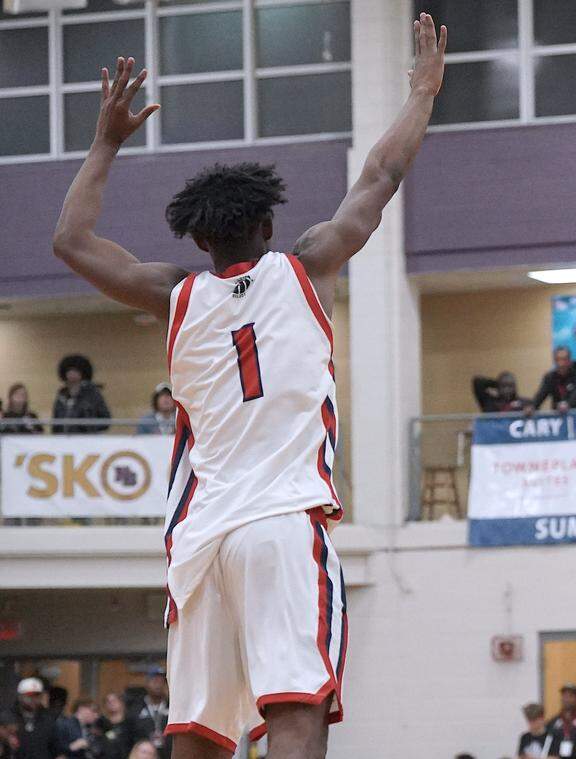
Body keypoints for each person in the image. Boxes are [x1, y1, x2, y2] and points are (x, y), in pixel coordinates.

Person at [50, 16, 446, 756]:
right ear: (269, 222)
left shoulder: (174, 295)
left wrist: (104, 143)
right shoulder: (308, 264)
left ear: (199, 239)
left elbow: (70, 241)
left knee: (198, 730)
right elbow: (380, 175)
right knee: (296, 706)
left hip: (200, 541)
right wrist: (423, 91)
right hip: (282, 522)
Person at [51, 355, 111, 434]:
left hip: (86, 440)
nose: (71, 374)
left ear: (82, 373)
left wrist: (89, 429)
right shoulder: (61, 395)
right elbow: (56, 419)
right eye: (69, 371)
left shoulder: (93, 394)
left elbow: (105, 419)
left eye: (75, 371)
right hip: (64, 440)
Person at [126, 671, 168, 759]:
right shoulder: (135, 708)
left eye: (161, 682)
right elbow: (128, 737)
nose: (158, 685)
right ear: (147, 684)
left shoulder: (173, 707)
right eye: (155, 682)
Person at [531, 347, 576, 412]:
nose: (561, 363)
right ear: (554, 361)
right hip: (557, 415)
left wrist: (568, 405)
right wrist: (531, 407)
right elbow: (540, 395)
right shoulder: (550, 377)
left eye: (564, 359)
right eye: (558, 360)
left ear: (569, 360)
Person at [13, 678, 56, 759]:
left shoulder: (49, 718)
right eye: (29, 695)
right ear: (20, 696)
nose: (33, 699)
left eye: (37, 695)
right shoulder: (8, 717)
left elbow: (56, 748)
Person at [98, 693, 132, 759]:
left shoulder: (129, 722)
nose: (111, 703)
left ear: (121, 703)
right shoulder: (101, 723)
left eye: (114, 701)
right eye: (108, 702)